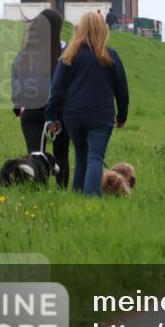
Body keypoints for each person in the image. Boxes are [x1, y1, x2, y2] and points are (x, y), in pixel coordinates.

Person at [46, 12, 129, 197]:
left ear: (80, 29)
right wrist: (122, 115)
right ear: (103, 30)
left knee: (81, 155)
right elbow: (122, 90)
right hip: (101, 116)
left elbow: (56, 89)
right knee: (95, 156)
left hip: (73, 116)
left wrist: (51, 116)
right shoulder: (111, 56)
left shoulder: (69, 55)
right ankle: (91, 198)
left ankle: (78, 195)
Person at [11, 8, 70, 188]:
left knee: (35, 156)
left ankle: (37, 190)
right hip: (58, 112)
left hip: (30, 112)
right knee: (61, 154)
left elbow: (15, 82)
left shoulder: (24, 54)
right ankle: (61, 191)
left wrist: (18, 106)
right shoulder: (66, 52)